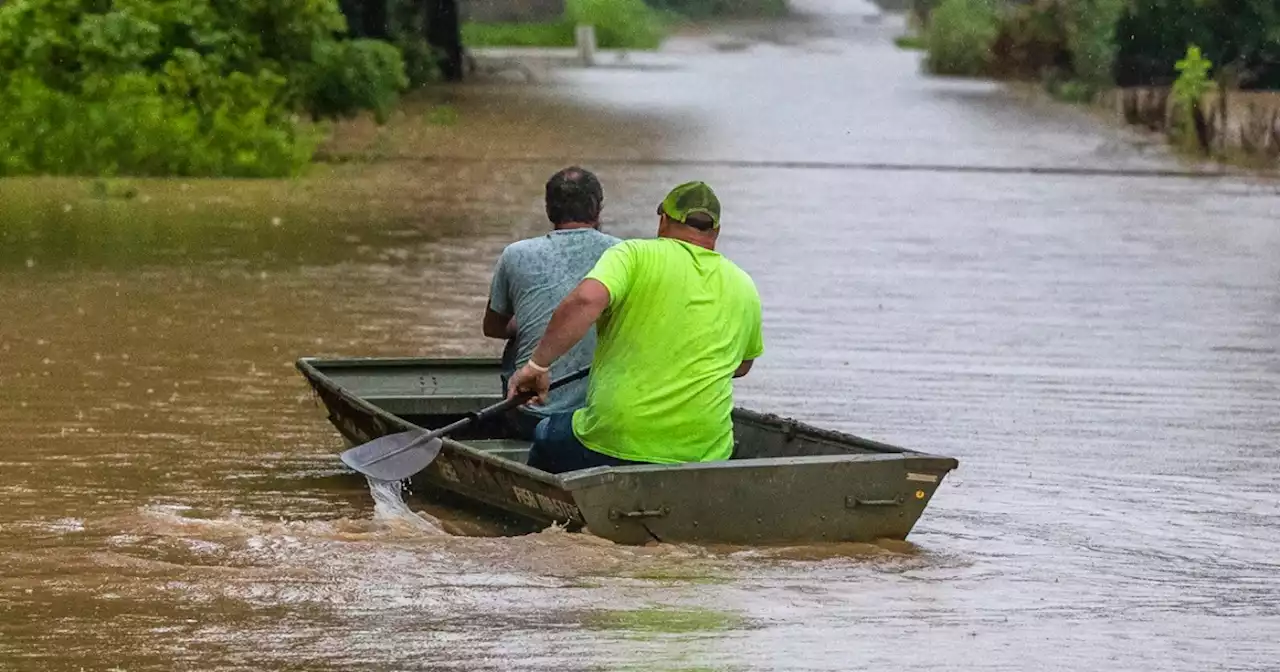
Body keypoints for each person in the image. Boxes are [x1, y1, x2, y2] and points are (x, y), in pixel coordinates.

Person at [507, 181, 763, 474]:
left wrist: (537, 367)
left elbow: (586, 300)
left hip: (617, 437)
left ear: (663, 219)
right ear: (715, 232)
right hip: (705, 451)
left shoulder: (633, 255)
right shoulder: (744, 284)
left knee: (546, 432)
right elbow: (742, 366)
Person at [484, 166, 621, 438]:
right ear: (598, 210)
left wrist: (534, 322)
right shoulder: (625, 254)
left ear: (549, 211)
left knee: (516, 345)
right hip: (601, 415)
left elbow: (492, 327)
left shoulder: (516, 255)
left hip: (529, 415)